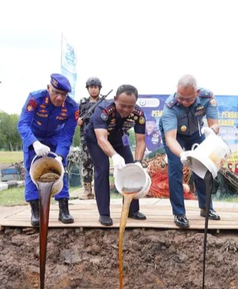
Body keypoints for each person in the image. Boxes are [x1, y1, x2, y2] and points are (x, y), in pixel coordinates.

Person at [159, 74, 221, 229]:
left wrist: (211, 131)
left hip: (196, 133)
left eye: (189, 99)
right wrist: (182, 154)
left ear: (197, 93)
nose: (185, 102)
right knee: (175, 170)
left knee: (203, 167)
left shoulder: (207, 97)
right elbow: (171, 138)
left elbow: (215, 125)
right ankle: (179, 213)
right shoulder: (170, 107)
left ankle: (206, 208)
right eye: (181, 98)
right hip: (175, 136)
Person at [18, 73, 79, 227]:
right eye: (55, 92)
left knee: (60, 171)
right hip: (34, 136)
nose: (59, 98)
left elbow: (67, 134)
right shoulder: (35, 99)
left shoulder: (72, 107)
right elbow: (23, 124)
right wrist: (35, 143)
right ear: (48, 88)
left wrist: (60, 155)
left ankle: (63, 209)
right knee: (32, 171)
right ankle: (35, 212)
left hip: (55, 138)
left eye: (63, 95)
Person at [84, 84, 147, 226]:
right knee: (103, 169)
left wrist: (138, 161)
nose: (126, 110)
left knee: (131, 168)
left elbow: (140, 140)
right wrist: (114, 156)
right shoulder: (104, 110)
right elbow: (101, 139)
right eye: (122, 105)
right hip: (96, 139)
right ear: (115, 99)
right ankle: (104, 213)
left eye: (130, 106)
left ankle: (132, 209)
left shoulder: (139, 114)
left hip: (118, 138)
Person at [77, 77, 102, 200]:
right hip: (86, 137)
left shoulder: (104, 102)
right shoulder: (82, 102)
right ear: (88, 89)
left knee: (100, 162)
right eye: (91, 87)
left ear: (99, 88)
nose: (93, 89)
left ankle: (100, 189)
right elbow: (76, 117)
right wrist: (79, 120)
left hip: (100, 137)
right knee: (86, 162)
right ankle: (87, 190)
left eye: (95, 87)